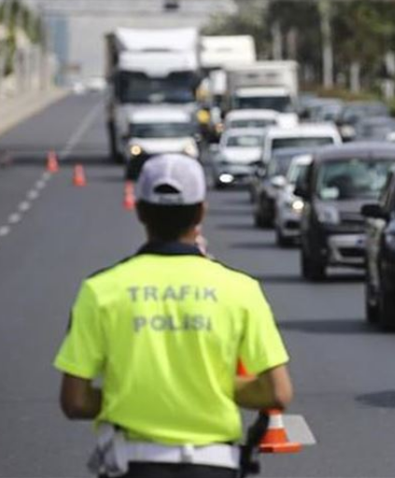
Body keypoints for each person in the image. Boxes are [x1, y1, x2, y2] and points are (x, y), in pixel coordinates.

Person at [54, 154, 293, 478]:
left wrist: (136, 394)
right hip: (215, 464)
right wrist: (208, 386)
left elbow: (75, 400)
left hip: (132, 465)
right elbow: (277, 393)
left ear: (139, 210)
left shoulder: (100, 290)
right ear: (201, 212)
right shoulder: (241, 290)